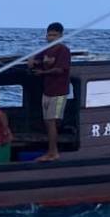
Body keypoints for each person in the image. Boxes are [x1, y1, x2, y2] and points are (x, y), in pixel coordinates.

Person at [29, 21, 71, 161]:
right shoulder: (46, 50)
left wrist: (42, 73)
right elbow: (36, 59)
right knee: (47, 122)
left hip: (59, 92)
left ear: (60, 36)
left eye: (54, 35)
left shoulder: (63, 50)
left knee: (52, 121)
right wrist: (32, 61)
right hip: (47, 91)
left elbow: (60, 69)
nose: (51, 37)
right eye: (49, 35)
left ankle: (53, 153)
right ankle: (51, 151)